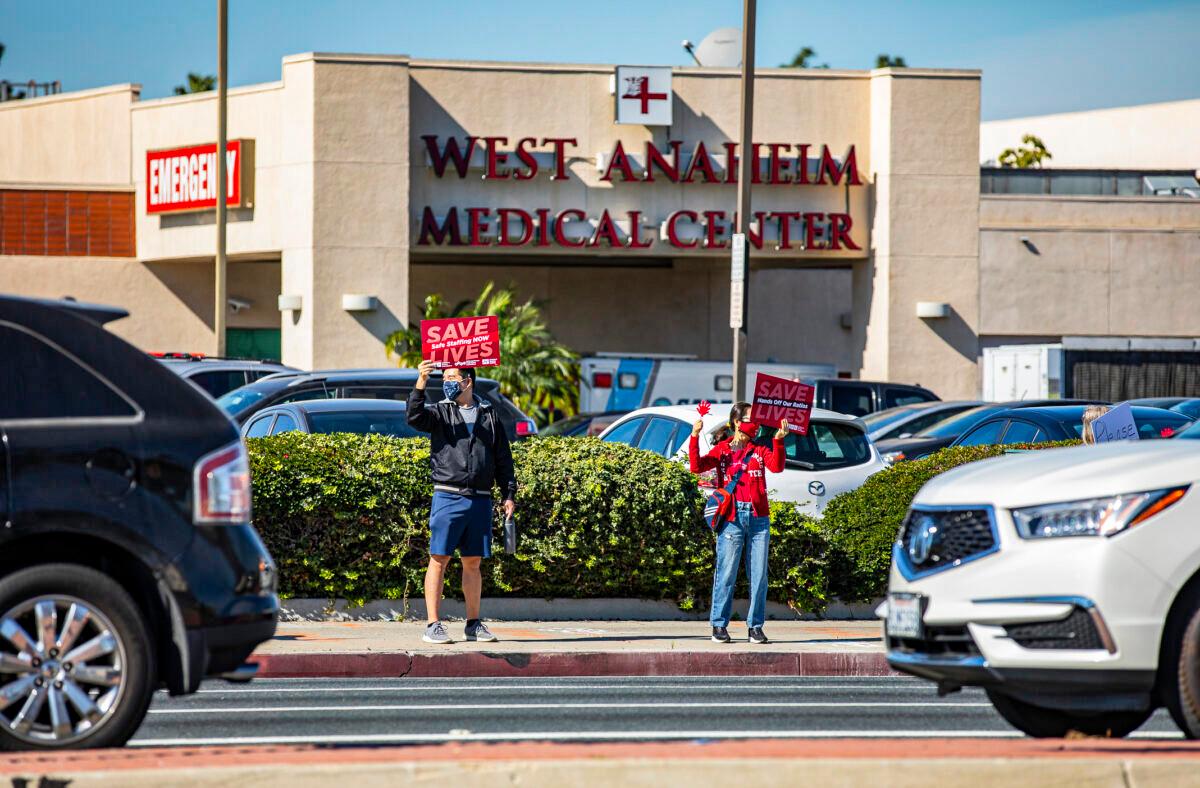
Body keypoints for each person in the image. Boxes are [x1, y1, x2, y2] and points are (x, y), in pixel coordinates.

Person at [408, 360, 517, 644]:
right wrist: (421, 381)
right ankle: (433, 624)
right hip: (447, 495)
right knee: (439, 558)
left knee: (473, 562)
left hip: (479, 499)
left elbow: (503, 458)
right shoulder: (441, 412)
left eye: (452, 377)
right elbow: (414, 417)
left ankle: (474, 623)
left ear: (468, 381)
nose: (447, 382)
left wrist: (508, 493)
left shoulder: (489, 415)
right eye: (444, 377)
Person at [689, 402, 788, 644]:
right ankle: (719, 626)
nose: (755, 424)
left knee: (759, 576)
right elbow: (696, 467)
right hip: (731, 519)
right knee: (726, 574)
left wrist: (779, 440)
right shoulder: (723, 450)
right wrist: (694, 436)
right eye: (750, 418)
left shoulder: (759, 449)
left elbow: (777, 466)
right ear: (736, 422)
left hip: (758, 520)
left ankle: (755, 627)